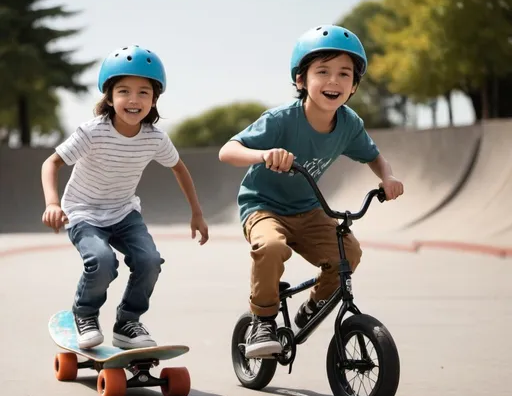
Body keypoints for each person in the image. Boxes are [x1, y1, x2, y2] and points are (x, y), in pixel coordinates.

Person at [218, 25, 404, 358]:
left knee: (348, 254)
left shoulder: (349, 125)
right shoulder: (280, 120)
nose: (334, 81)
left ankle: (313, 305)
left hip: (308, 210)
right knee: (271, 246)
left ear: (354, 85)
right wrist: (264, 155)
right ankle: (263, 320)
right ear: (302, 80)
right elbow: (227, 151)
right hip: (263, 207)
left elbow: (375, 157)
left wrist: (388, 177)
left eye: (344, 74)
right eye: (323, 72)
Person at [41, 45, 209, 350]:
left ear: (155, 99)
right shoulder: (92, 132)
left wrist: (196, 212)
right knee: (102, 261)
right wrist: (53, 203)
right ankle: (85, 314)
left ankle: (127, 321)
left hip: (123, 213)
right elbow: (51, 163)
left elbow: (180, 169)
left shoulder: (155, 138)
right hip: (83, 212)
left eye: (144, 92)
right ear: (109, 97)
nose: (134, 100)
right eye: (124, 91)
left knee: (149, 261)